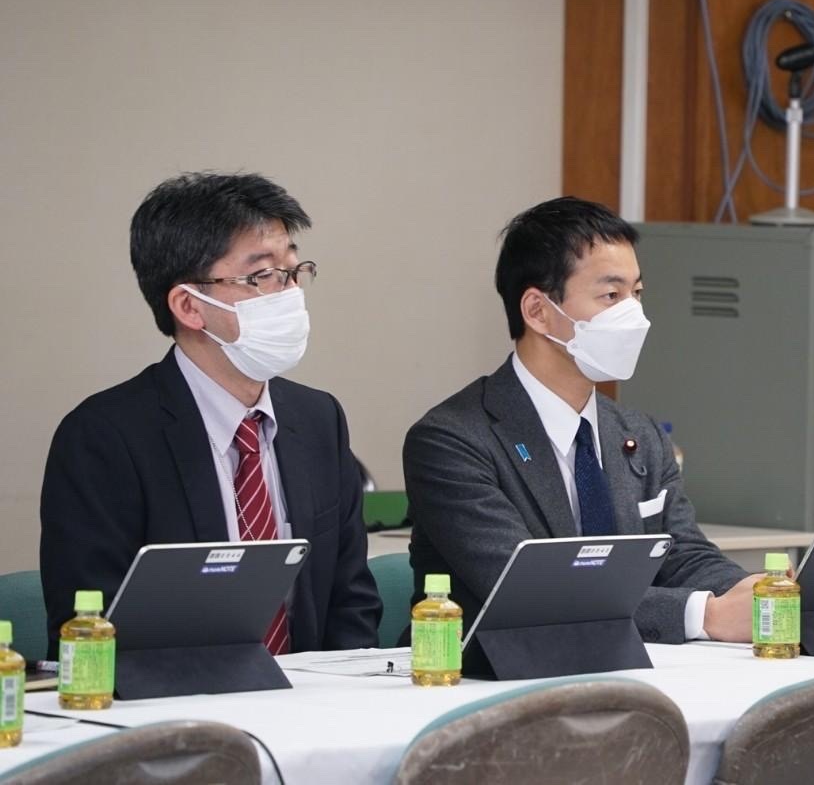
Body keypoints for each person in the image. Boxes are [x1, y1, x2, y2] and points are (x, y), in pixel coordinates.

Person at [39, 172, 381, 657]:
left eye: (292, 271)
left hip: (315, 692)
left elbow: (351, 602)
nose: (289, 294)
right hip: (176, 696)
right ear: (188, 306)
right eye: (262, 276)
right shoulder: (104, 437)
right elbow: (90, 628)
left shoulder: (319, 418)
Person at [403, 196, 758, 645]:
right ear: (537, 311)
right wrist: (704, 615)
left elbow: (682, 554)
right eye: (611, 296)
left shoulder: (640, 434)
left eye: (637, 294)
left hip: (632, 668)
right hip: (488, 673)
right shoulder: (452, 440)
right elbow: (533, 589)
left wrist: (754, 592)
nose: (634, 316)